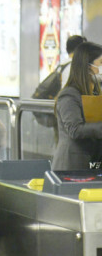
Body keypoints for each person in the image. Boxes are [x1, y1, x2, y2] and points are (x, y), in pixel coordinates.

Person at [52, 41, 102, 170]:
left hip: (93, 162)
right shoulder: (69, 95)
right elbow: (75, 129)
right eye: (100, 62)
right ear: (88, 66)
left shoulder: (96, 92)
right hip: (72, 166)